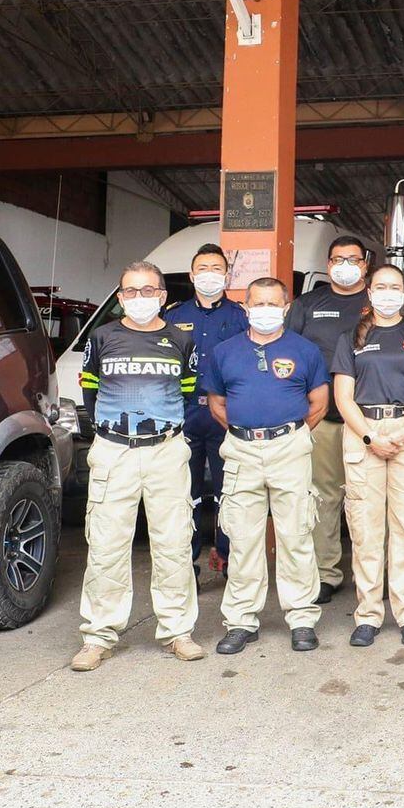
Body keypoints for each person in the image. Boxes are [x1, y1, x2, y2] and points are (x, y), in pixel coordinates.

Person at [70, 262, 203, 672]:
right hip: (115, 452)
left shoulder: (181, 340)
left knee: (174, 543)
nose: (139, 298)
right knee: (107, 544)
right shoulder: (102, 336)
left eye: (148, 291)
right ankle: (98, 636)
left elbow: (188, 390)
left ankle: (178, 631)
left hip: (166, 451)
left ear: (163, 296)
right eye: (131, 291)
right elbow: (89, 389)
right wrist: (109, 431)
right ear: (120, 296)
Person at [204, 277, 330, 655]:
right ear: (245, 307)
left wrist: (285, 436)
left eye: (272, 303)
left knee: (296, 536)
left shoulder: (305, 350)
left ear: (286, 306)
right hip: (242, 450)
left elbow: (319, 402)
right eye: (257, 304)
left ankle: (302, 618)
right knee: (243, 540)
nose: (265, 310)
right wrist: (251, 435)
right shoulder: (225, 351)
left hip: (290, 448)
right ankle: (242, 621)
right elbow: (217, 405)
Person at [331, 265, 404, 648]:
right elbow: (343, 397)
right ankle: (369, 614)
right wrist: (372, 436)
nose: (388, 293)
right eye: (381, 287)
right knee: (365, 527)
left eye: (395, 287)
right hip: (363, 433)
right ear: (370, 293)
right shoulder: (351, 337)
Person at [286, 235, 370, 605]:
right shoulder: (307, 304)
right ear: (328, 263)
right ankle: (326, 573)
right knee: (323, 498)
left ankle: (371, 575)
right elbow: (287, 359)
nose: (346, 266)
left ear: (365, 264)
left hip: (371, 422)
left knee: (368, 499)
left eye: (353, 259)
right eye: (338, 259)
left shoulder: (379, 302)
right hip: (323, 420)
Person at [166, 244, 248, 576]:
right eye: (203, 268)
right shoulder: (174, 316)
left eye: (217, 268)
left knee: (231, 491)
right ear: (192, 274)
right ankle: (188, 564)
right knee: (186, 494)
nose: (209, 275)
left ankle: (228, 559)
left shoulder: (241, 316)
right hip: (184, 414)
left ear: (227, 275)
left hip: (224, 415)